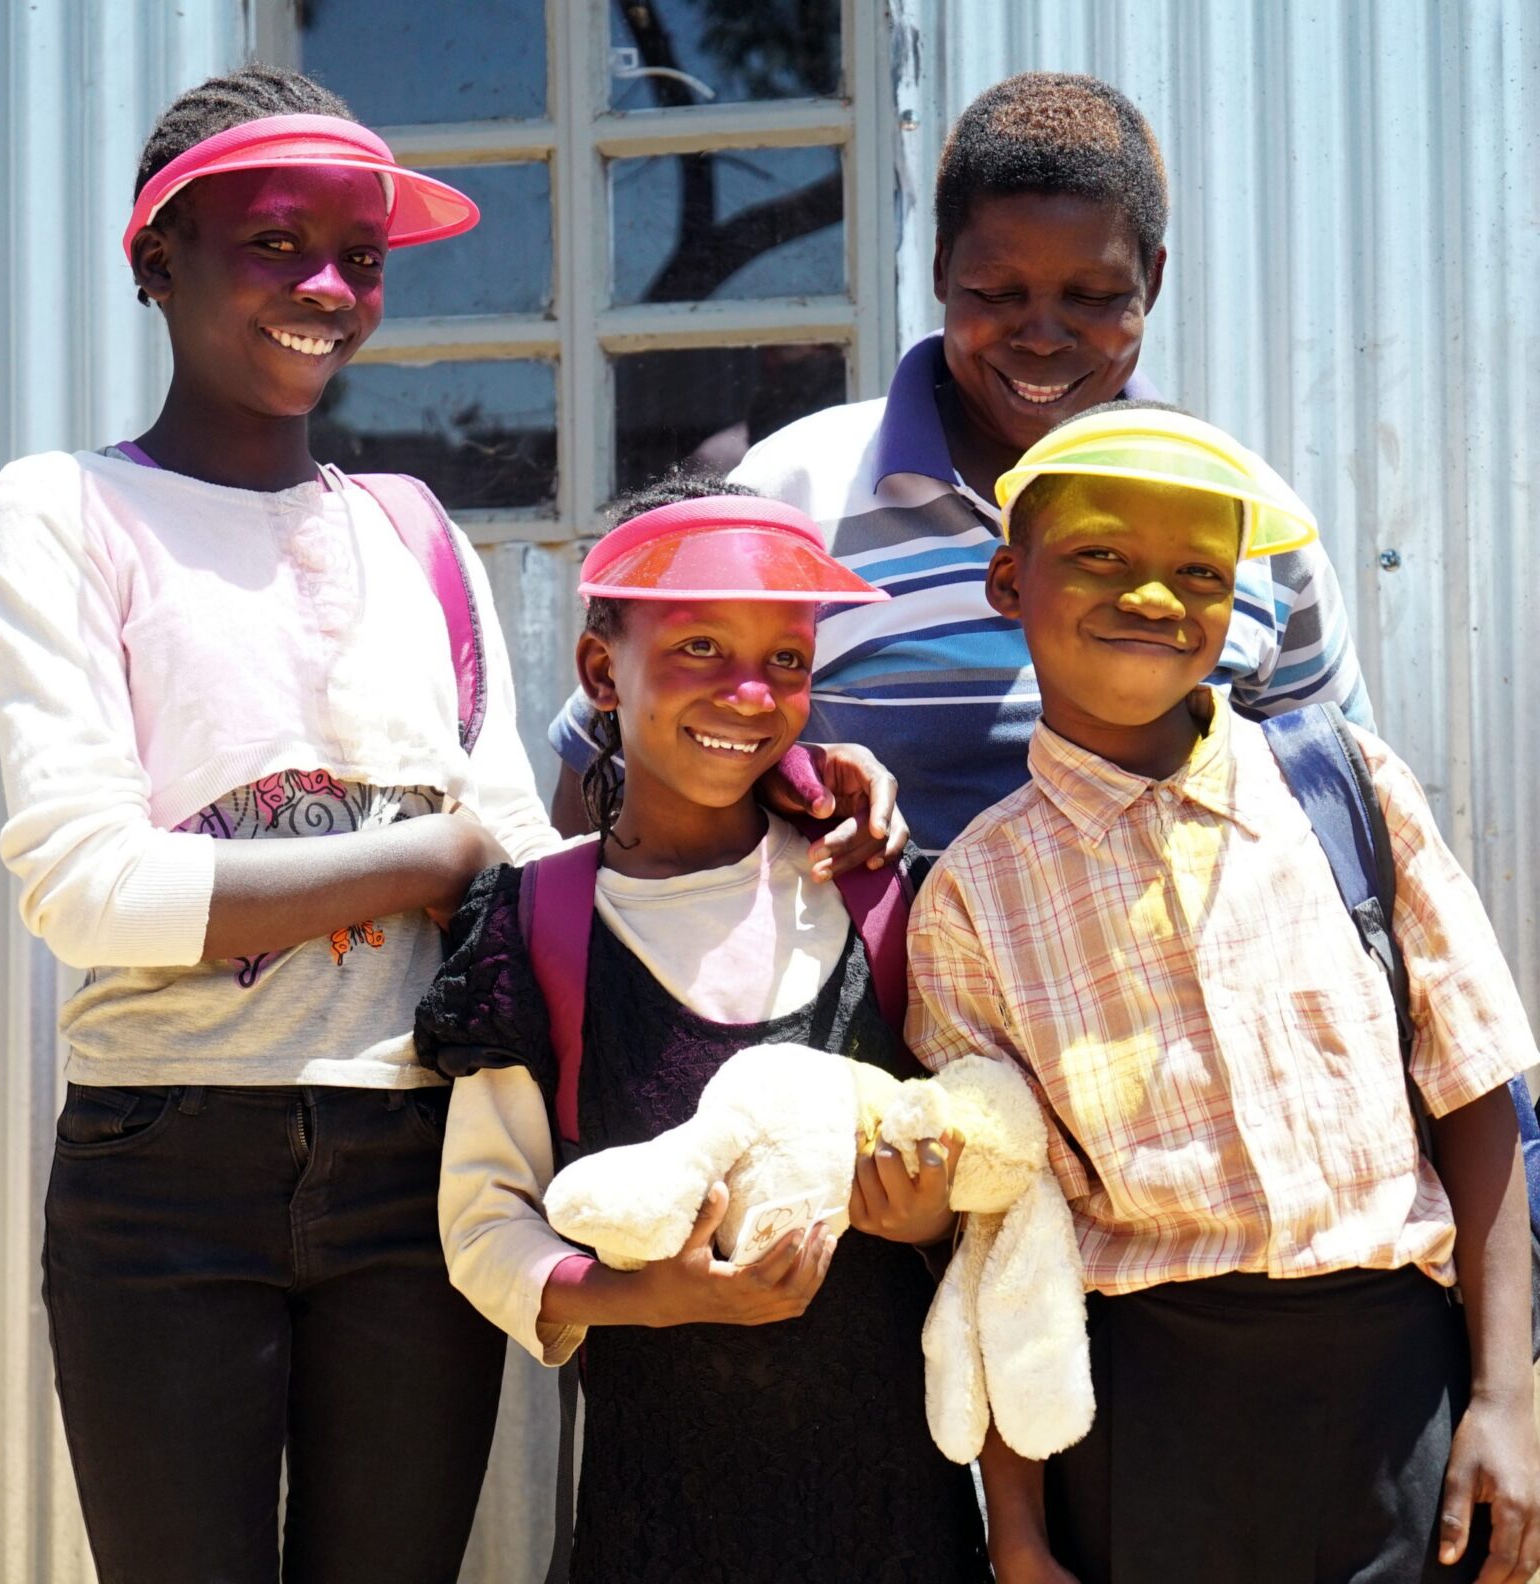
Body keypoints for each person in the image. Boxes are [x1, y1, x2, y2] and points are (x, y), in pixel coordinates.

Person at [0, 63, 566, 1583]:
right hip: (164, 1161)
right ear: (156, 260)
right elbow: (90, 890)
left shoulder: (414, 532)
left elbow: (519, 854)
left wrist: (762, 812)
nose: (326, 288)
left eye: (359, 258)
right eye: (275, 243)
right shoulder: (63, 512)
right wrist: (425, 855)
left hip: (413, 1157)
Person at [904, 404, 1540, 1584]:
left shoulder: (1344, 788)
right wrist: (1022, 1530)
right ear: (1008, 578)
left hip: (1399, 1398)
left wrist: (1506, 1400)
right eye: (1100, 554)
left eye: (1199, 570)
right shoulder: (973, 895)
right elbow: (1006, 1239)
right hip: (1144, 1423)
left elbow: (1473, 1094)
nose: (1152, 597)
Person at [546, 72, 1370, 858]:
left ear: (1149, 281)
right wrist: (792, 779)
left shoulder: (1248, 519)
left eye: (1090, 297)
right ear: (941, 270)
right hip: (875, 1002)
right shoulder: (795, 496)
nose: (1042, 336)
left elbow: (1346, 805)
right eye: (997, 293)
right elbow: (608, 773)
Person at [415, 474, 992, 1584]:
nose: (747, 693)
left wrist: (930, 1222)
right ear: (601, 671)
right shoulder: (543, 923)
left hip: (901, 1524)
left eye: (785, 659)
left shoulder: (873, 896)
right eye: (699, 650)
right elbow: (484, 1228)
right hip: (657, 1524)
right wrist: (645, 1297)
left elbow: (987, 1176)